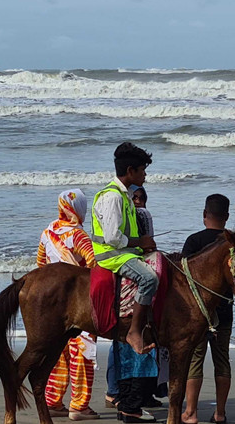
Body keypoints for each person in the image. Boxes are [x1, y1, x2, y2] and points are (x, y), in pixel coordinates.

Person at [36, 189, 101, 421]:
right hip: (79, 301)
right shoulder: (79, 236)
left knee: (58, 352)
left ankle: (53, 401)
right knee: (82, 352)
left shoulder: (48, 231)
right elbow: (94, 266)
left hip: (53, 302)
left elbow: (41, 266)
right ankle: (79, 406)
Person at [90, 142, 157, 355]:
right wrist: (141, 243)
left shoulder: (125, 195)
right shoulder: (113, 197)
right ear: (130, 171)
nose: (145, 175)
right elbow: (112, 237)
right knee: (149, 279)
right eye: (142, 170)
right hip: (112, 256)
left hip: (124, 252)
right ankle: (134, 332)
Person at [105, 185, 162, 423]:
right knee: (140, 342)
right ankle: (131, 405)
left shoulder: (122, 207)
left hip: (119, 274)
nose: (138, 201)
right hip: (135, 280)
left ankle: (123, 399)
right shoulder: (143, 215)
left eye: (142, 198)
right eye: (135, 197)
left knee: (121, 347)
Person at [180, 194, 233, 424]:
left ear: (204, 215)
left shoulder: (193, 241)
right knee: (222, 359)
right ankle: (220, 413)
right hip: (224, 309)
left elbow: (182, 279)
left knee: (195, 359)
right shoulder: (232, 244)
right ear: (227, 217)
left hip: (197, 313)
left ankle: (191, 412)